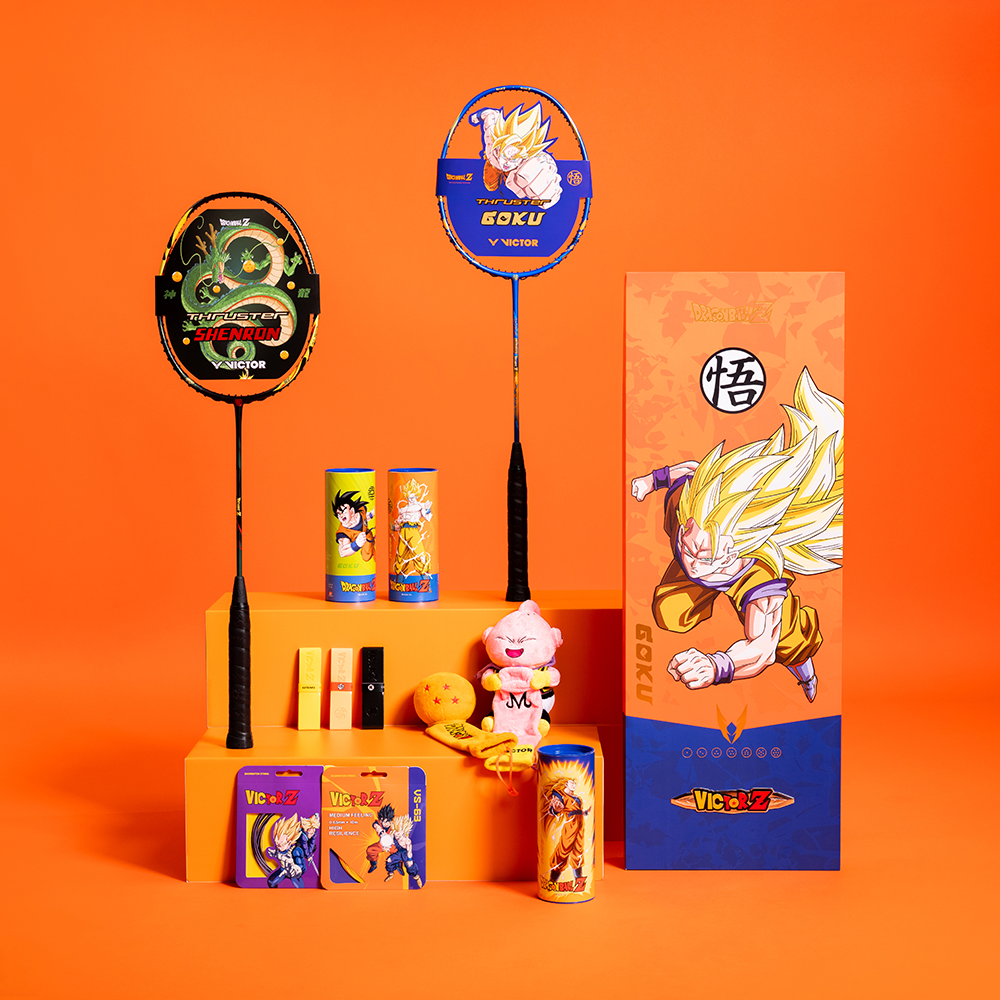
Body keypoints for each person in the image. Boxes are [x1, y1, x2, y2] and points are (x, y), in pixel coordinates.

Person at [630, 368, 843, 702]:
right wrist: (651, 481)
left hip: (744, 577)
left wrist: (717, 666)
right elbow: (689, 471)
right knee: (670, 612)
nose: (693, 556)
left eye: (705, 555)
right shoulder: (686, 507)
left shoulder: (762, 577)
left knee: (789, 641)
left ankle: (807, 674)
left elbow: (760, 650)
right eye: (688, 543)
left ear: (737, 550)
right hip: (703, 571)